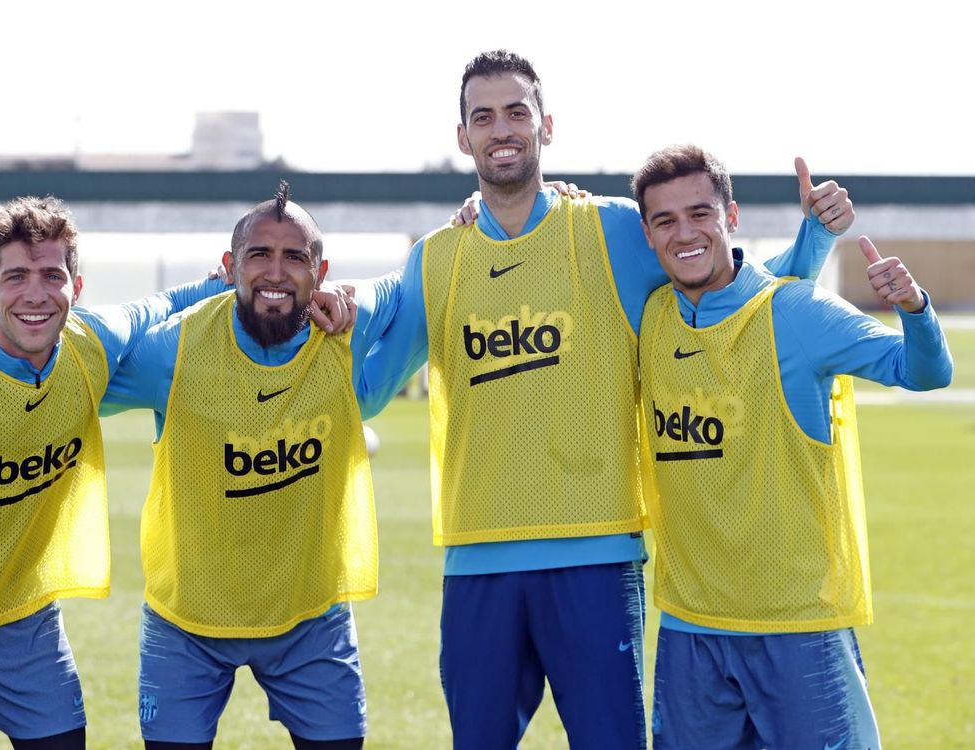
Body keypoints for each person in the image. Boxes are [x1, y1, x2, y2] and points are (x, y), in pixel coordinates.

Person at [360, 50, 852, 749]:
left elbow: (740, 297)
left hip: (597, 557)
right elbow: (367, 392)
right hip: (478, 562)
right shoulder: (438, 256)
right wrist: (306, 325)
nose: (502, 129)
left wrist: (816, 235)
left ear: (546, 126)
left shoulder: (613, 228)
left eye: (517, 112)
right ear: (463, 137)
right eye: (483, 117)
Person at [0, 195, 355, 750]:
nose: (35, 294)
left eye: (52, 276)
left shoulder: (92, 342)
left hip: (18, 614)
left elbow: (167, 302)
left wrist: (314, 292)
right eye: (17, 277)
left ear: (76, 287)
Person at [633, 144, 952, 750]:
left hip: (800, 627)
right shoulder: (649, 317)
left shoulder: (797, 312)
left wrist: (913, 309)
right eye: (665, 220)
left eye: (700, 213)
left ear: (731, 217)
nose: (685, 233)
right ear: (647, 235)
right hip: (690, 628)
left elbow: (923, 372)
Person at [103, 183, 402, 750]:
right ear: (230, 266)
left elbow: (412, 287)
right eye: (259, 254)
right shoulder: (177, 346)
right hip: (186, 621)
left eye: (295, 257)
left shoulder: (343, 331)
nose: (276, 271)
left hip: (310, 617)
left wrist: (355, 292)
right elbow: (80, 371)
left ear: (321, 272)